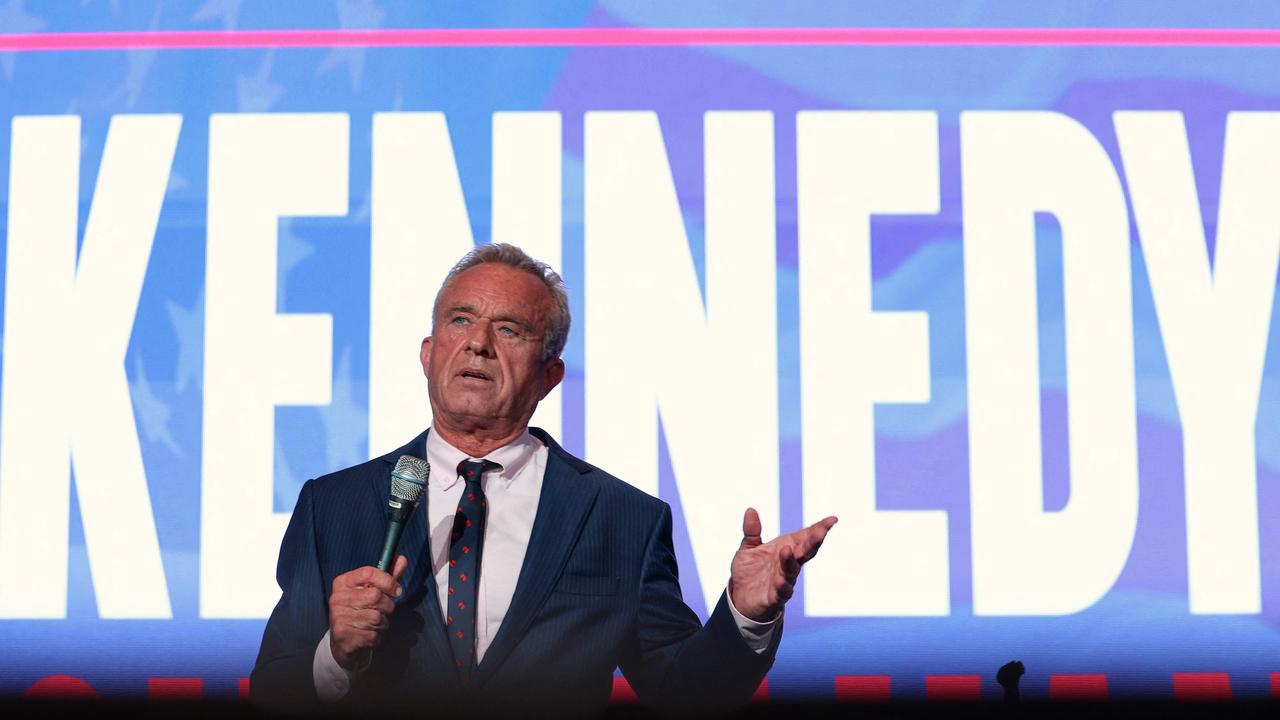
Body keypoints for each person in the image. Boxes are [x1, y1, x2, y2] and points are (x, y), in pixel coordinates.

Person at [250, 244, 837, 715]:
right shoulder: (336, 505)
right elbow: (274, 690)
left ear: (550, 374)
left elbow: (686, 688)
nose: (477, 342)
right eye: (460, 320)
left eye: (508, 330)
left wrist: (746, 614)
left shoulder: (619, 519)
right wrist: (337, 658)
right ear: (428, 353)